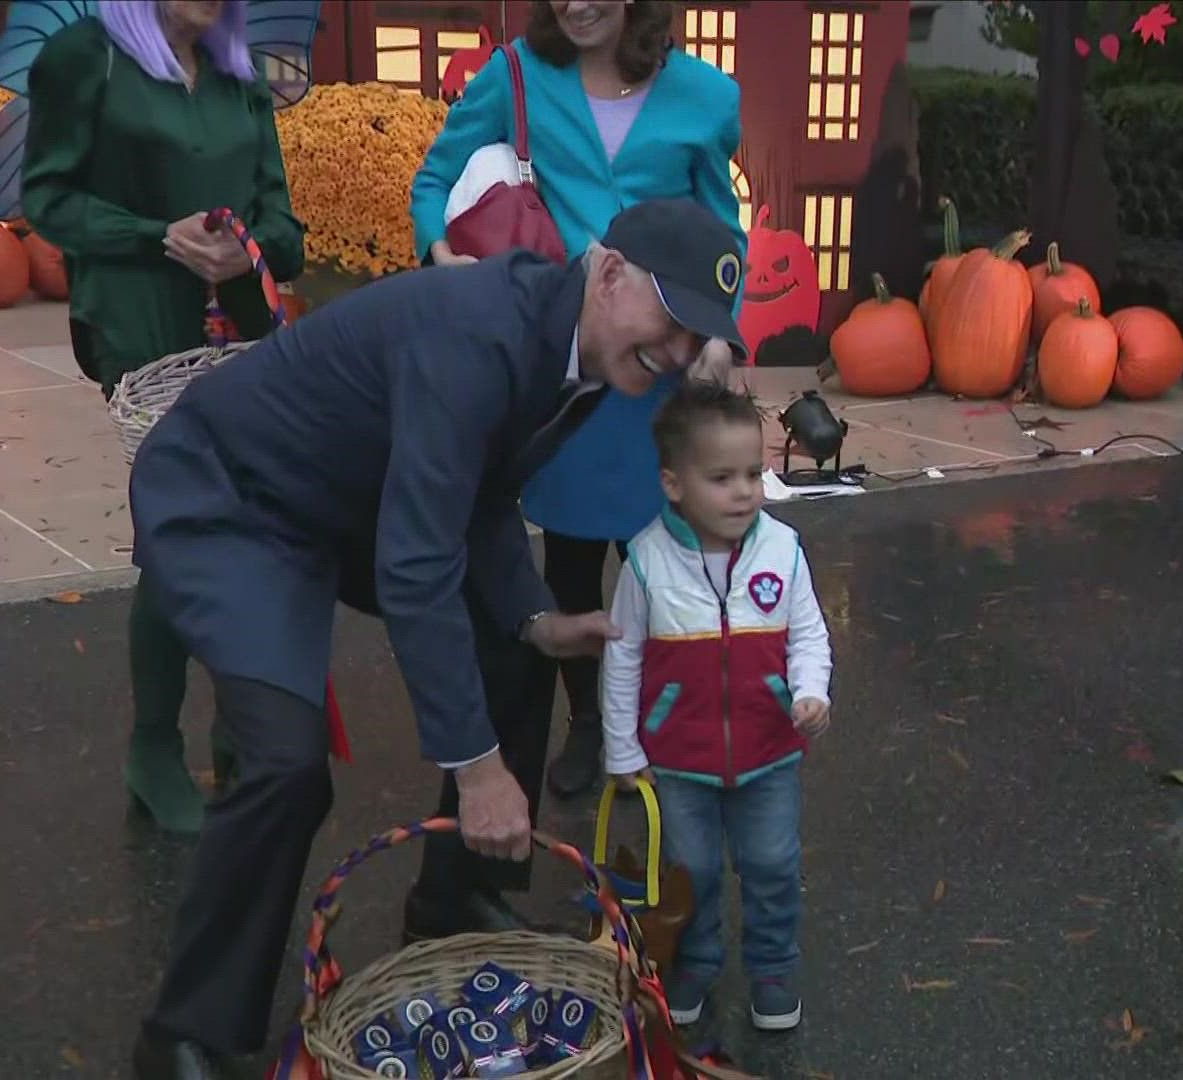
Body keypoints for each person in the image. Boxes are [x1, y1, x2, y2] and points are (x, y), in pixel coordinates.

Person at [127, 200, 747, 1078]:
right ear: (610, 275)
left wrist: (535, 617)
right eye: (673, 321)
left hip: (348, 499)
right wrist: (478, 767)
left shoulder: (579, 343)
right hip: (234, 497)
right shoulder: (480, 337)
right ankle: (184, 1033)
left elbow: (483, 492)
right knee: (284, 760)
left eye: (698, 336)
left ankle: (457, 904)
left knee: (520, 646)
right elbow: (418, 565)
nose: (681, 355)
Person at [410, 0, 747, 810]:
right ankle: (590, 723)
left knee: (667, 568)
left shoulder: (708, 97)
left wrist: (720, 340)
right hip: (563, 369)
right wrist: (440, 254)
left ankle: (661, 728)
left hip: (662, 374)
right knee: (567, 566)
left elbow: (722, 233)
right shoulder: (518, 75)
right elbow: (433, 180)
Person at [20, 0, 306, 834]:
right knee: (180, 532)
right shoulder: (85, 58)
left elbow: (282, 223)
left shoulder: (239, 77)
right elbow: (50, 199)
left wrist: (247, 241)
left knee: (254, 528)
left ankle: (240, 728)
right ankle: (153, 747)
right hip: (142, 328)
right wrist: (159, 236)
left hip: (243, 329)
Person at [601, 382, 834, 1033]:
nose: (743, 491)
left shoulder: (781, 552)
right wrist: (623, 748)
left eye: (754, 473)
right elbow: (622, 660)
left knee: (771, 862)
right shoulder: (646, 561)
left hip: (768, 749)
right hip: (679, 759)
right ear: (674, 484)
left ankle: (772, 963)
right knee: (691, 866)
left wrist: (810, 691)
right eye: (722, 477)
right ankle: (696, 959)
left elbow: (809, 633)